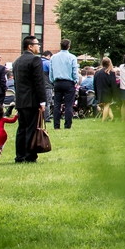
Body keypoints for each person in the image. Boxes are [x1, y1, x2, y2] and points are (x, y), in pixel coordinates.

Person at [12, 35, 49, 163]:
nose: (39, 46)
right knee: (32, 128)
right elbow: (39, 82)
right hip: (32, 100)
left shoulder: (17, 61)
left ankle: (20, 156)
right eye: (37, 44)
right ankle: (30, 156)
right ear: (30, 46)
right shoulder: (35, 60)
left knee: (22, 129)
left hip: (21, 100)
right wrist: (42, 101)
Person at [48, 39, 79, 129]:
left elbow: (51, 71)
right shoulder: (72, 57)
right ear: (69, 46)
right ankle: (67, 125)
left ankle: (56, 125)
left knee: (57, 105)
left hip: (57, 82)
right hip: (69, 82)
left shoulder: (53, 57)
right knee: (69, 105)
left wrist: (52, 80)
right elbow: (74, 70)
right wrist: (76, 80)